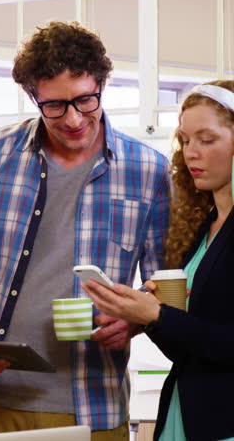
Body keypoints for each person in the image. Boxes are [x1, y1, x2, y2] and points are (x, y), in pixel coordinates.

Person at [0, 21, 170, 439]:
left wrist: (135, 323)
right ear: (33, 98)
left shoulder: (148, 170)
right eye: (55, 105)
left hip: (93, 403)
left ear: (101, 85)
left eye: (85, 99)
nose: (75, 119)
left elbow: (163, 286)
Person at [82, 80, 234, 441]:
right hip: (186, 413)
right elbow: (187, 349)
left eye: (207, 139)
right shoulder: (203, 229)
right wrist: (145, 315)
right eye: (184, 139)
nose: (190, 153)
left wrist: (156, 315)